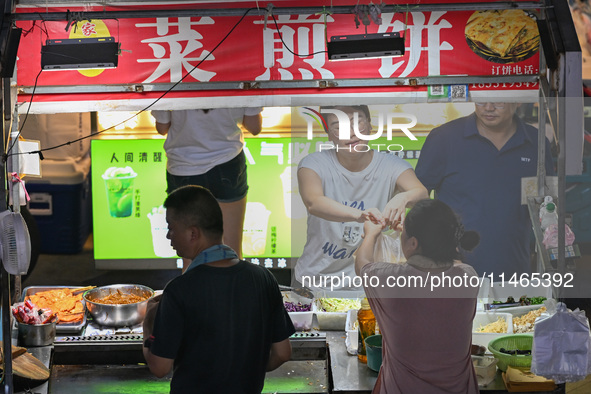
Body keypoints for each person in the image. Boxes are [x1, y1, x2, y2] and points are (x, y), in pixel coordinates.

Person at [142, 185, 295, 393]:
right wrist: (249, 370)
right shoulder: (263, 279)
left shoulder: (179, 290)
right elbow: (283, 353)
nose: (169, 236)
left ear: (193, 233)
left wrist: (149, 323)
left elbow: (160, 367)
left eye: (171, 227)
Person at [295, 105, 428, 290]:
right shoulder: (314, 163)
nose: (351, 133)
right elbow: (314, 202)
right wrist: (360, 215)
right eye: (338, 126)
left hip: (366, 281)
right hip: (315, 279)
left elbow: (421, 193)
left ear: (370, 126)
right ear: (329, 134)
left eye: (357, 122)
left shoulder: (392, 165)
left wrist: (403, 198)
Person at [415, 102, 555, 278]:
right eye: (481, 100)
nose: (488, 108)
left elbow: (548, 203)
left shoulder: (536, 141)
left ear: (517, 100)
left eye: (498, 102)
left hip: (514, 268)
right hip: (453, 271)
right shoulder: (444, 138)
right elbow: (419, 199)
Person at [355, 199, 480, 394]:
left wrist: (370, 234)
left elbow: (362, 264)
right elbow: (448, 261)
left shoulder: (392, 281)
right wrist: (414, 237)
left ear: (413, 243)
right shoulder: (468, 277)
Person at [151, 107, 263, 258]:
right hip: (227, 162)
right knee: (231, 250)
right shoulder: (240, 82)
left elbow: (162, 127)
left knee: (190, 255)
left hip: (183, 165)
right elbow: (254, 127)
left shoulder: (171, 82)